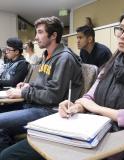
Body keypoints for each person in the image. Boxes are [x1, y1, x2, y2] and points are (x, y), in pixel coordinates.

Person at [1, 6, 124, 160]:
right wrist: (77, 106)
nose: (122, 35)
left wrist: (96, 108)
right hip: (84, 129)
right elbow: (89, 97)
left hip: (109, 142)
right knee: (7, 155)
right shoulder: (112, 65)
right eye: (121, 28)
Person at [0, 15, 83, 157]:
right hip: (36, 105)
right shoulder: (47, 55)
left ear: (53, 35)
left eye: (40, 32)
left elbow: (53, 96)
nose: (36, 37)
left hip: (50, 111)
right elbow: (43, 83)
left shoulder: (64, 58)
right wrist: (28, 84)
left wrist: (23, 93)